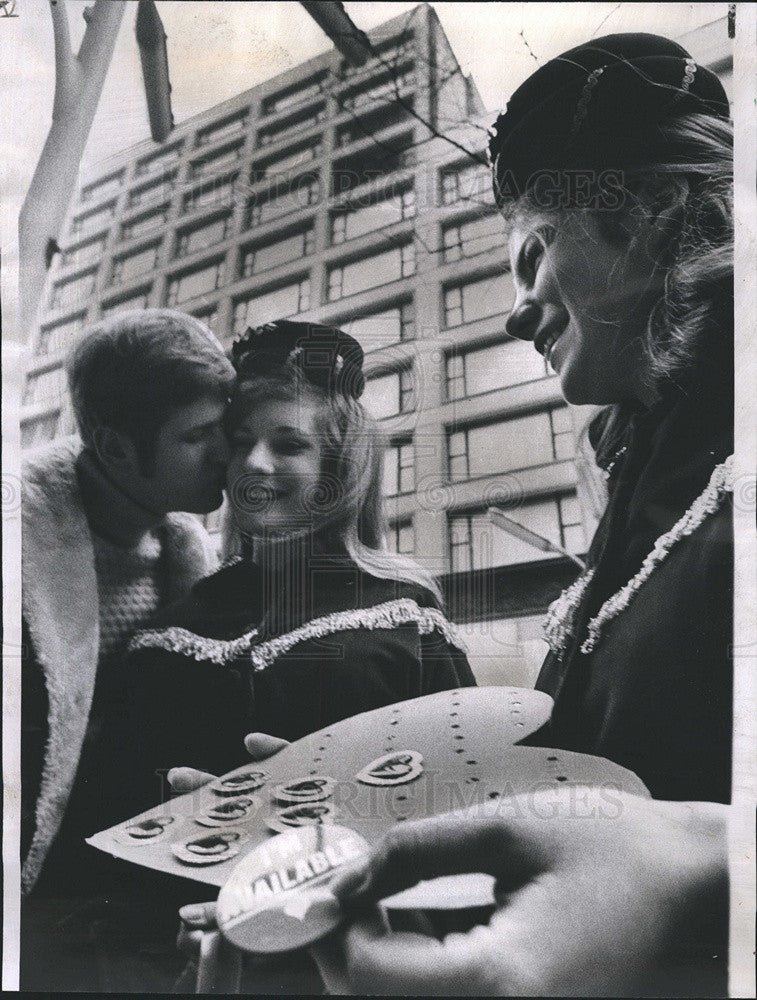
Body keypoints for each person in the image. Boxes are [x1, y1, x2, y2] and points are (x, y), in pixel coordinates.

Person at [179, 32, 736, 996]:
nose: (515, 314)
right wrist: (385, 819)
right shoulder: (648, 472)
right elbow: (610, 796)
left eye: (533, 254)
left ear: (644, 215)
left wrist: (710, 862)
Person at [122, 320, 475, 786]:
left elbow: (468, 781)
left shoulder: (405, 611)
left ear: (339, 470)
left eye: (289, 445)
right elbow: (110, 798)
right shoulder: (166, 626)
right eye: (242, 442)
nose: (254, 463)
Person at [20, 308, 235, 990]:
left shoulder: (188, 557)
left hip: (113, 914)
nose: (226, 454)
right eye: (199, 436)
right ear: (116, 448)